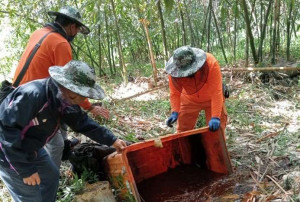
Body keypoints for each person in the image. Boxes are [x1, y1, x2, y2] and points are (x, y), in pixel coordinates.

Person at [0, 60, 127, 202]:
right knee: (30, 195)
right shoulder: (33, 95)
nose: (83, 99)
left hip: (31, 146)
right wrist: (25, 170)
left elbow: (82, 122)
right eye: (80, 95)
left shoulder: (66, 100)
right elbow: (5, 132)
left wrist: (112, 140)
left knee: (51, 176)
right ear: (67, 87)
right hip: (8, 153)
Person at [13, 6, 109, 168]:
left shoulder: (39, 33)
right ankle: (51, 176)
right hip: (35, 101)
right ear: (72, 27)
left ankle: (64, 147)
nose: (76, 33)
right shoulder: (61, 43)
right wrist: (90, 106)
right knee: (55, 143)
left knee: (63, 115)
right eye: (77, 30)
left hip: (19, 91)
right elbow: (71, 86)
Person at [165, 46, 227, 133]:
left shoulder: (211, 63)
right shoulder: (174, 71)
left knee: (216, 132)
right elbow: (174, 93)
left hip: (211, 99)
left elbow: (216, 92)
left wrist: (215, 116)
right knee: (183, 131)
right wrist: (175, 111)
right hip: (189, 99)